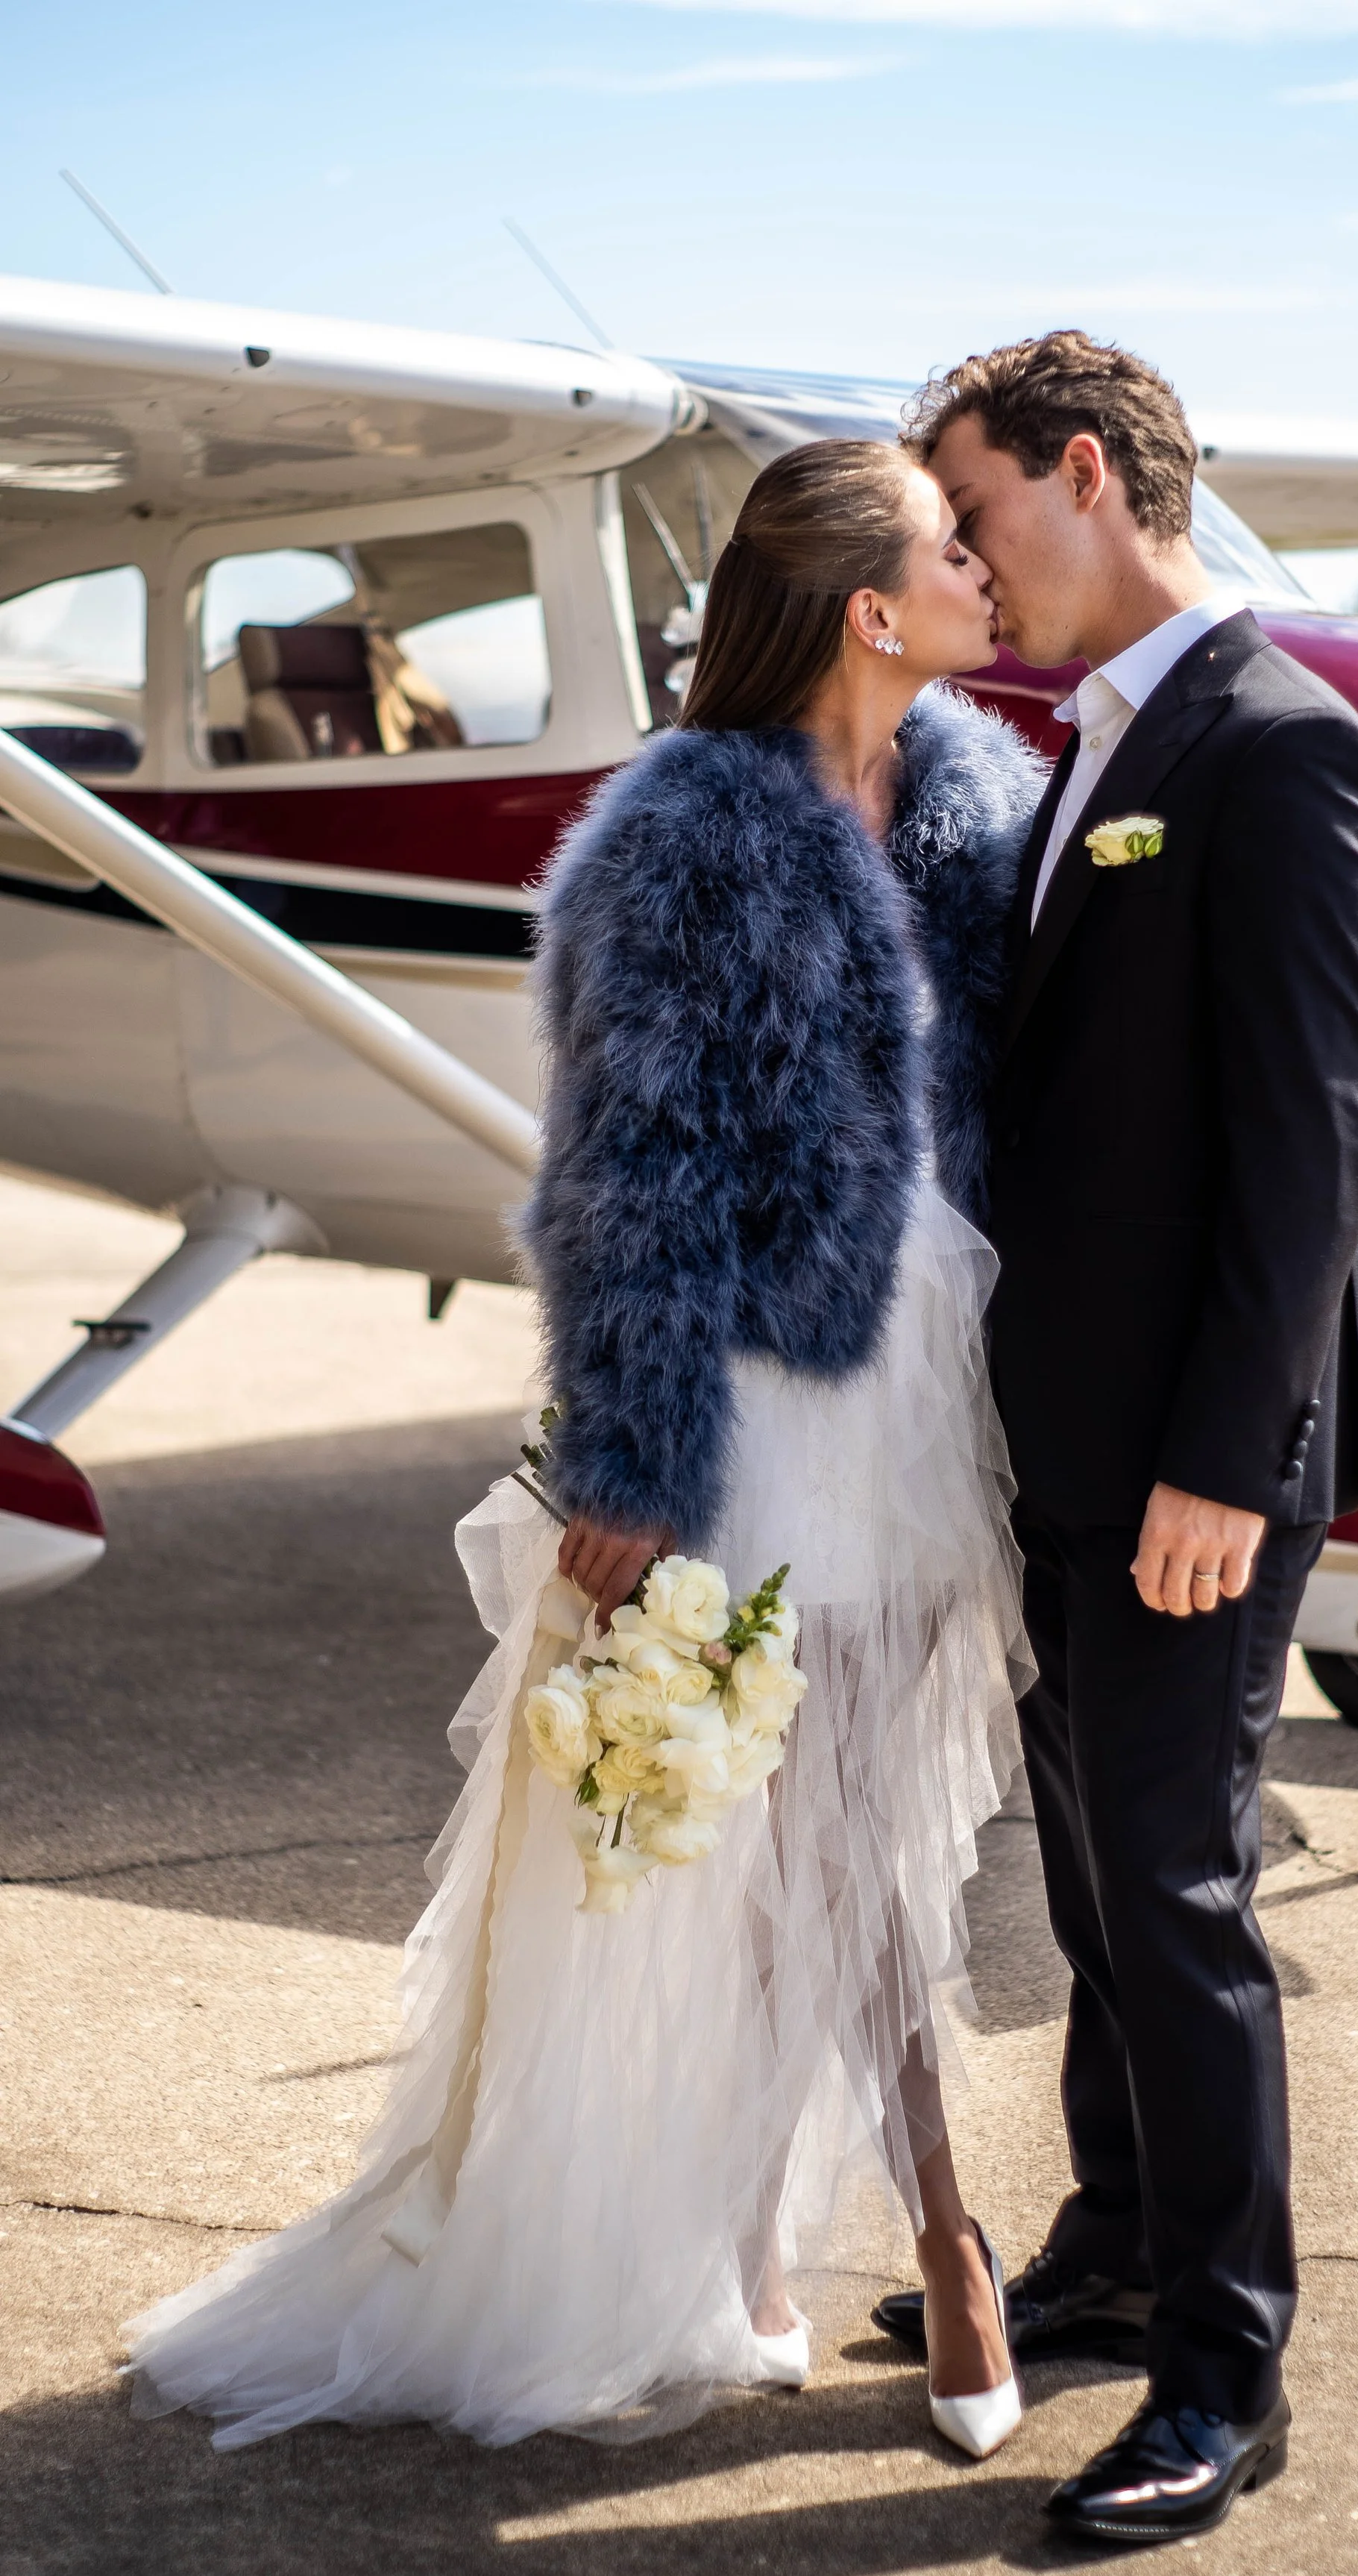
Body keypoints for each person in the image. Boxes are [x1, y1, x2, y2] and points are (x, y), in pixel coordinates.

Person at [125, 440, 1046, 2459]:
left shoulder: (981, 805)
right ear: (864, 607)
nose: (986, 569)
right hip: (756, 1381)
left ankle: (746, 2246)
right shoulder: (676, 837)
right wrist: (634, 1457)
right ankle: (955, 2233)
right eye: (943, 548)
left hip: (930, 1374)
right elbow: (624, 1175)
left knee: (874, 1816)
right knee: (809, 1836)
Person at [873, 333, 1358, 2542]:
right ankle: (1113, 2241)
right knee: (1094, 1879)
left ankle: (1225, 2372)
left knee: (1180, 1892)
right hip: (1072, 1444)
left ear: (1086, 476)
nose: (974, 568)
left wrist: (1221, 1456)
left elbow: (1311, 1151)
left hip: (1191, 1456)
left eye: (980, 511)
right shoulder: (1092, 740)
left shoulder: (1282, 751)